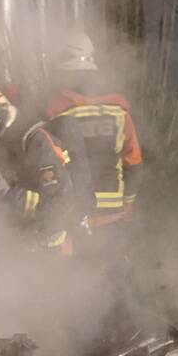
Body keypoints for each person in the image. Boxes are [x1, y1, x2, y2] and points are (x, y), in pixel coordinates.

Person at [0, 80, 95, 255]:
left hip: (49, 249)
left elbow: (60, 205)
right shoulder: (3, 140)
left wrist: (8, 193)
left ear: (1, 120)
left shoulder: (37, 143)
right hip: (20, 243)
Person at [43, 31, 144, 236]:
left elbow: (48, 163)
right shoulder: (118, 112)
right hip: (113, 213)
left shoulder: (56, 112)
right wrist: (127, 207)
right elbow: (133, 164)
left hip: (74, 214)